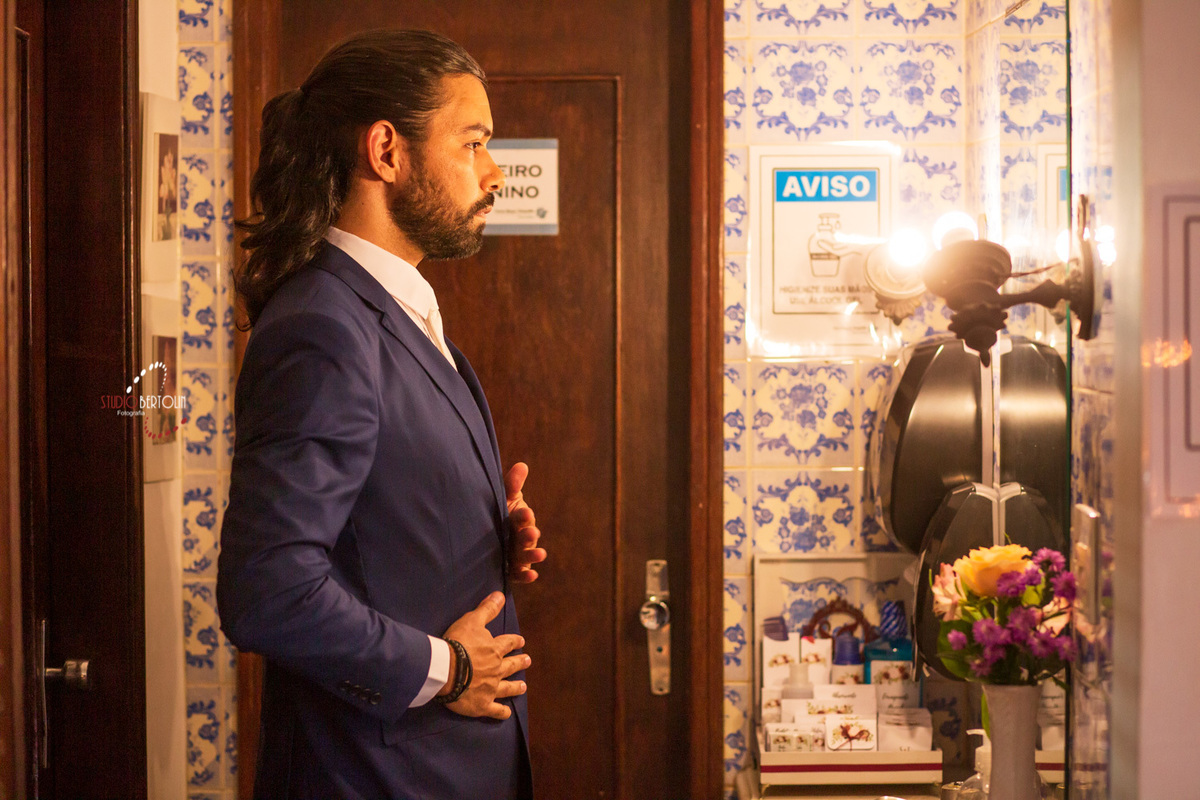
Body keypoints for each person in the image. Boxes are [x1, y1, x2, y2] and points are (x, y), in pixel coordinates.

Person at [216, 29, 546, 800]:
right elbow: (267, 589)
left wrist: (486, 534)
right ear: (387, 151)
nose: (494, 173)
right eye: (473, 143)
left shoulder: (398, 312)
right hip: (376, 776)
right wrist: (447, 670)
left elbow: (373, 531)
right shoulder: (323, 325)